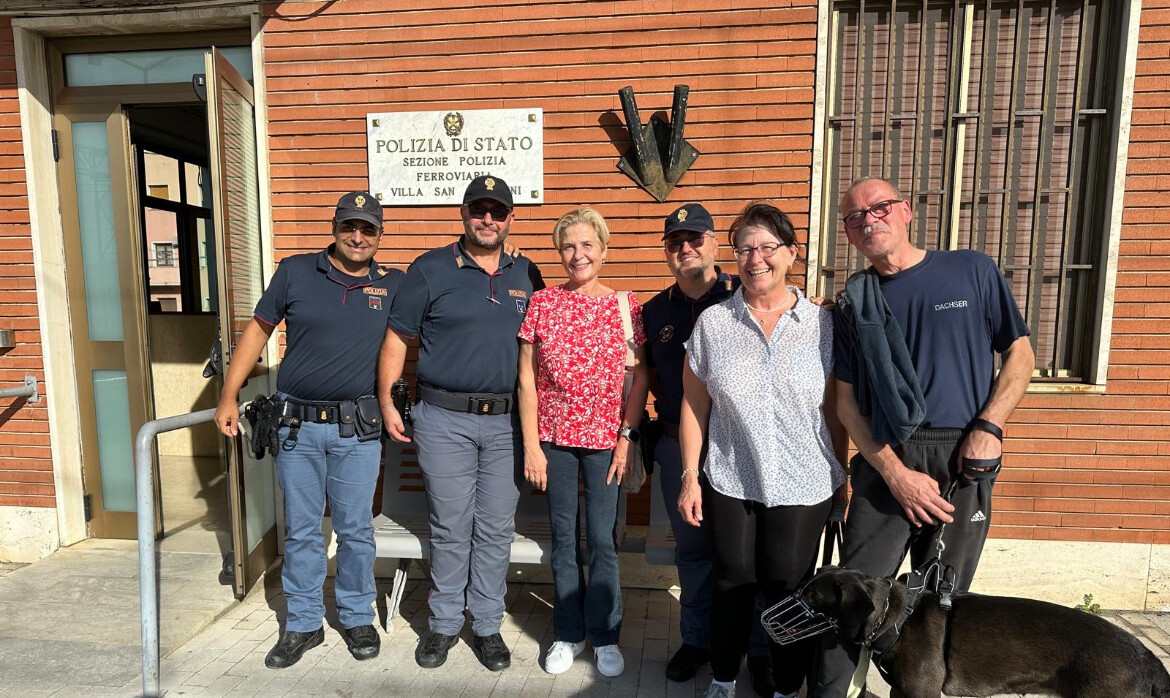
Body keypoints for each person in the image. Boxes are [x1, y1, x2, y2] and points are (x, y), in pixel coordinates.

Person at [815, 177, 1033, 698]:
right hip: (886, 456)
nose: (868, 219)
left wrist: (989, 427)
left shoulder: (971, 270)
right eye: (853, 216)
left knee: (941, 604)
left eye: (880, 207)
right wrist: (894, 472)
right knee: (851, 594)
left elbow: (1020, 354)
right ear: (847, 233)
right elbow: (846, 401)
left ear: (907, 211)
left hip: (965, 454)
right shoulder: (854, 302)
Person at [214, 192, 402, 669]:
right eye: (349, 226)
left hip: (357, 430)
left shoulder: (394, 284)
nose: (357, 237)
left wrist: (510, 261)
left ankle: (357, 616)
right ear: (335, 227)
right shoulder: (297, 271)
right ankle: (303, 623)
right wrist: (228, 394)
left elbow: (445, 301)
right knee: (300, 531)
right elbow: (257, 331)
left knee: (356, 530)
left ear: (380, 236)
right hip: (297, 427)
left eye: (368, 230)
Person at [677, 202, 848, 698]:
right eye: (745, 248)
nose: (756, 259)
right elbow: (694, 405)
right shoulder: (714, 324)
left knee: (789, 590)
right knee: (731, 583)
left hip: (805, 479)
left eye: (767, 247)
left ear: (791, 253)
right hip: (732, 476)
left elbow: (837, 410)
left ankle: (786, 686)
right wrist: (691, 473)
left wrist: (843, 473)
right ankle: (724, 680)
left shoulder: (823, 325)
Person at [377, 174, 544, 673]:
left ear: (511, 218)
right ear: (464, 214)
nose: (487, 219)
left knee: (495, 530)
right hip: (443, 419)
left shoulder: (528, 273)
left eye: (497, 211)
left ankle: (487, 625)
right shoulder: (429, 269)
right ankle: (445, 624)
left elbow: (539, 350)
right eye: (478, 210)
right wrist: (388, 400)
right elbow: (396, 339)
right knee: (451, 528)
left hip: (507, 425)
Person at [639, 203, 776, 695]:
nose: (685, 248)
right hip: (681, 446)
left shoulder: (748, 294)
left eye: (695, 238)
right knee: (694, 554)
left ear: (717, 243)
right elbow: (646, 378)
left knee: (755, 556)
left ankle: (760, 650)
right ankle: (697, 640)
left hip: (744, 449)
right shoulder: (655, 313)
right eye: (675, 241)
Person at [516, 206, 649, 679]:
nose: (578, 254)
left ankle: (606, 635)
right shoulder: (543, 304)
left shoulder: (624, 306)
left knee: (603, 541)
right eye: (568, 246)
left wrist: (625, 439)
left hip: (605, 442)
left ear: (604, 249)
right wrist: (532, 445)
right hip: (556, 441)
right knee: (563, 541)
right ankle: (568, 633)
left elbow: (639, 376)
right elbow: (527, 382)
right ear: (559, 252)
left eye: (587, 244)